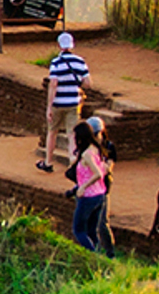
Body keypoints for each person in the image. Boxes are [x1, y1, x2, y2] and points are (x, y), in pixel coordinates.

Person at [37, 32, 91, 173]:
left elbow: (53, 84)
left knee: (52, 132)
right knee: (72, 135)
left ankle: (48, 162)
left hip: (58, 103)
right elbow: (88, 83)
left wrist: (49, 106)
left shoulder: (56, 62)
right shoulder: (80, 61)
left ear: (59, 45)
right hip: (73, 102)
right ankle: (72, 163)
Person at [70, 121, 110, 253]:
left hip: (89, 196)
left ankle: (92, 254)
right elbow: (102, 169)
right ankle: (100, 256)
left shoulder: (87, 154)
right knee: (92, 230)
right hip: (100, 195)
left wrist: (83, 187)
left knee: (79, 230)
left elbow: (98, 173)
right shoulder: (96, 149)